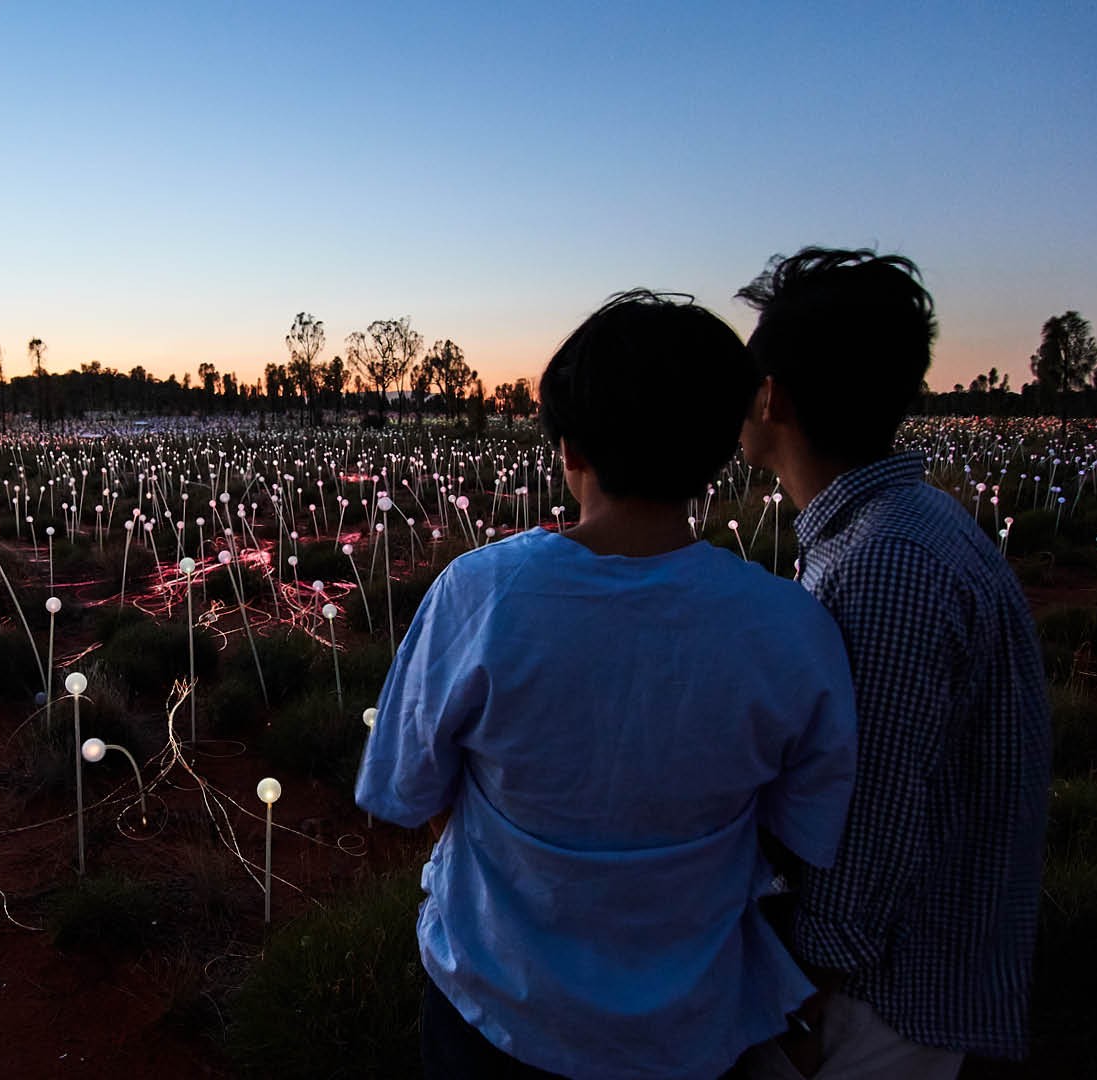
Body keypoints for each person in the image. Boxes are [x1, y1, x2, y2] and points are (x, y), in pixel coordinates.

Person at [355, 291, 860, 1080]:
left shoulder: (479, 595)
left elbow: (411, 791)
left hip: (492, 1014)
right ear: (724, 446)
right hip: (691, 1033)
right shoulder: (791, 628)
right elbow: (803, 831)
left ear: (570, 450)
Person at [732, 249, 1052, 1080]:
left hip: (879, 996)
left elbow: (870, 813)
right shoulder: (904, 526)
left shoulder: (886, 565)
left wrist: (804, 996)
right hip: (891, 975)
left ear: (773, 395)